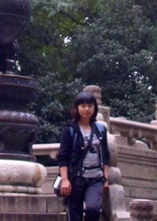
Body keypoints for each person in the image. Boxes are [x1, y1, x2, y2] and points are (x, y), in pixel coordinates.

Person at [57, 92, 110, 221]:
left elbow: (105, 155)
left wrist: (106, 178)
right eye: (83, 106)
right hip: (76, 178)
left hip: (96, 178)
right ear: (77, 108)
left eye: (90, 106)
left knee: (93, 209)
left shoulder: (101, 129)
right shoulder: (70, 130)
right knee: (75, 215)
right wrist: (65, 180)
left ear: (94, 108)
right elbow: (63, 157)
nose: (87, 109)